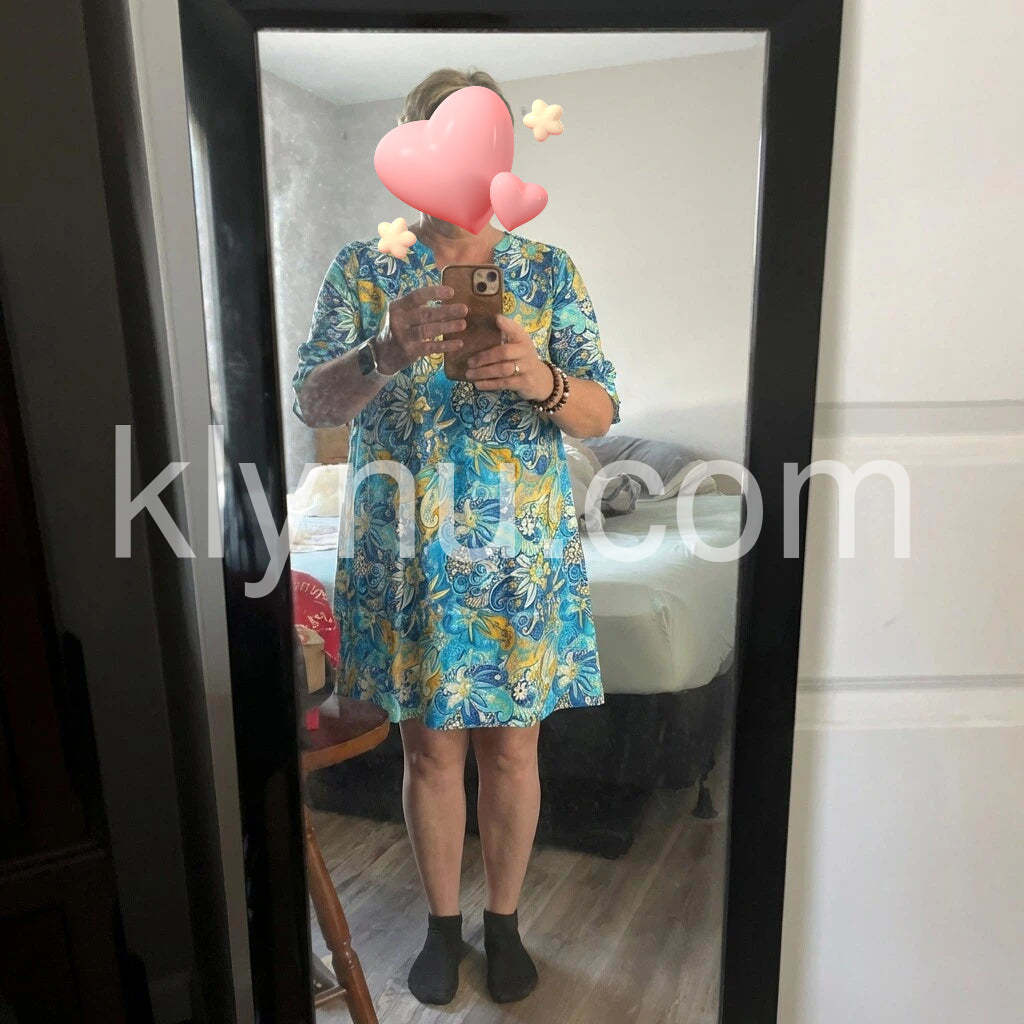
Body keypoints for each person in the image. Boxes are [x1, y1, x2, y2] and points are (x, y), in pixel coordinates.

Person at [292, 67, 620, 1006]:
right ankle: (442, 925)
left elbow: (602, 411)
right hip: (406, 552)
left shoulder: (547, 271)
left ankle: (504, 923)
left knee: (512, 751)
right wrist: (385, 349)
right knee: (429, 753)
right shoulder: (365, 268)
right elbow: (315, 402)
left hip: (517, 556)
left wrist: (541, 380)